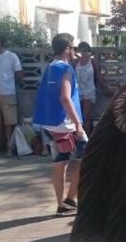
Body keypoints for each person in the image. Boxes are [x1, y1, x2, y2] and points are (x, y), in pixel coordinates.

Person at [32, 35, 88, 216]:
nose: (75, 52)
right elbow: (65, 97)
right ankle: (72, 197)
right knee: (84, 159)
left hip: (50, 123)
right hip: (67, 124)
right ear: (66, 49)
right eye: (73, 48)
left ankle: (61, 202)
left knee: (59, 164)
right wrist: (78, 124)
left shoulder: (50, 67)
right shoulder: (66, 69)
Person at [74, 42, 102, 135]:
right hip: (78, 92)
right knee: (78, 117)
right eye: (82, 50)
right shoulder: (76, 62)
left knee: (86, 116)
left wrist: (106, 87)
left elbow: (98, 76)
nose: (84, 52)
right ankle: (79, 138)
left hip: (89, 91)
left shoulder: (93, 62)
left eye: (86, 50)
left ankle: (87, 139)